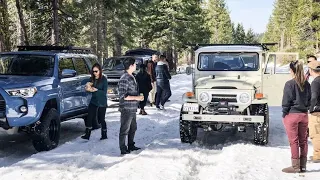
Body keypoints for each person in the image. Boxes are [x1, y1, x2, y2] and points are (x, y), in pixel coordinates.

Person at [282, 60, 311, 173]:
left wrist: (284, 113)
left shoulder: (289, 84)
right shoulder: (307, 84)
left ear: (292, 70)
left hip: (292, 114)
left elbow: (286, 101)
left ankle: (295, 166)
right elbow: (309, 99)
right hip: (304, 114)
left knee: (294, 141)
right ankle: (303, 166)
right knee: (303, 140)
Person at [118, 57, 144, 155]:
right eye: (135, 64)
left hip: (133, 108)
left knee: (133, 128)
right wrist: (137, 98)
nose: (136, 65)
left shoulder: (131, 76)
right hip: (126, 108)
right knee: (124, 129)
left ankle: (131, 145)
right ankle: (123, 148)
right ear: (131, 65)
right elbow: (123, 96)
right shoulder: (124, 78)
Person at [81, 63, 108, 140]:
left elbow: (104, 92)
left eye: (96, 71)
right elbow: (89, 89)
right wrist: (87, 88)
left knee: (101, 119)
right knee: (90, 116)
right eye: (93, 71)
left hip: (102, 101)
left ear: (100, 71)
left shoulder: (104, 79)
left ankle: (104, 134)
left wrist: (96, 90)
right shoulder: (92, 79)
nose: (94, 73)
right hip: (94, 101)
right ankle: (87, 134)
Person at [307, 60, 320, 163]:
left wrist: (310, 108)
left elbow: (314, 97)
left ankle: (318, 156)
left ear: (311, 70)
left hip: (317, 112)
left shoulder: (315, 82)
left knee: (315, 134)